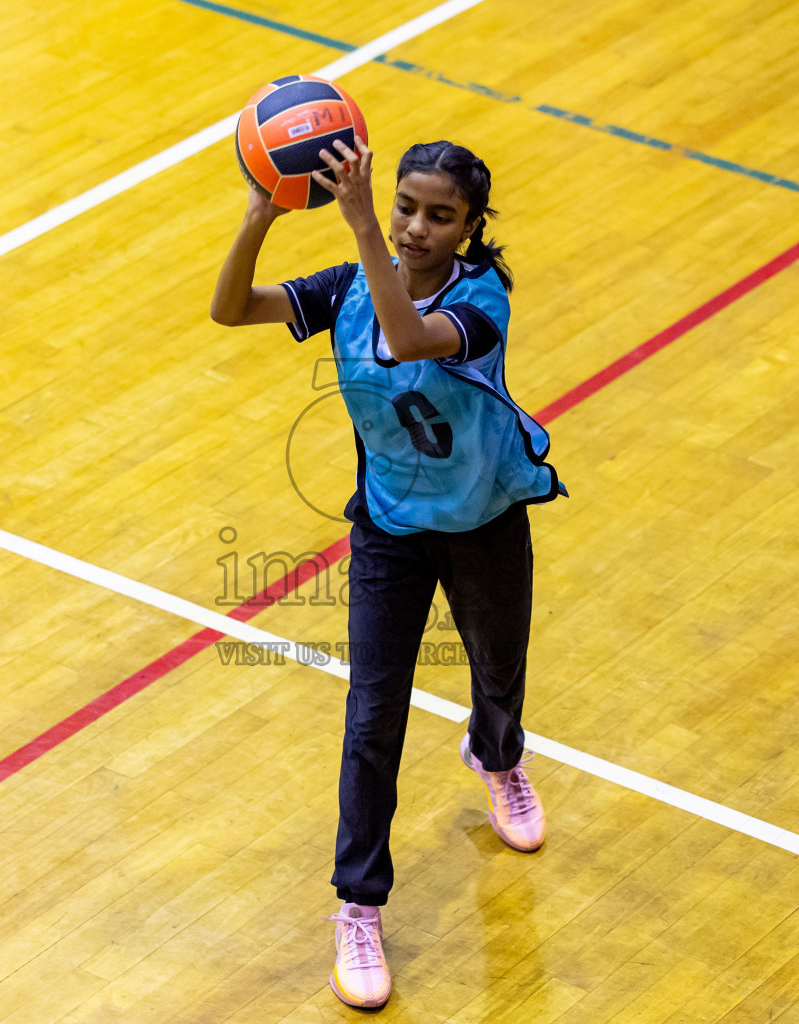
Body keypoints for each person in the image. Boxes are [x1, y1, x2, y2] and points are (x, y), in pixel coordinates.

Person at [210, 135, 566, 1009]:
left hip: (485, 521)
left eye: (439, 216)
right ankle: (358, 906)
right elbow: (230, 309)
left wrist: (362, 218)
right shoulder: (343, 288)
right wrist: (259, 215)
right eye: (405, 206)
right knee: (373, 716)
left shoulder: (483, 299)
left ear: (471, 227)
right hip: (391, 531)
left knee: (499, 675)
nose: (415, 227)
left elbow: (408, 340)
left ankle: (497, 756)